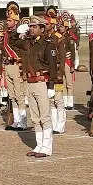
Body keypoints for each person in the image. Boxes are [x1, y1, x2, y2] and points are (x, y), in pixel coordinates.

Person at [21, 15, 59, 158]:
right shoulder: (29, 43)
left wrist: (51, 85)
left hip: (42, 82)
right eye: (30, 26)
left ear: (42, 29)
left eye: (34, 26)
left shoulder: (48, 45)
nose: (31, 29)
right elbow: (13, 41)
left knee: (45, 116)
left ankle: (47, 147)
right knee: (35, 117)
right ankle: (39, 145)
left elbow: (53, 67)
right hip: (30, 82)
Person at [4, 2, 27, 130]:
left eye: (10, 20)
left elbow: (24, 50)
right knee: (12, 96)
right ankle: (16, 121)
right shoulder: (7, 33)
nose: (7, 22)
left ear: (15, 20)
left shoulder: (20, 33)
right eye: (7, 20)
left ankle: (23, 122)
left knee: (19, 95)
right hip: (8, 65)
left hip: (17, 65)